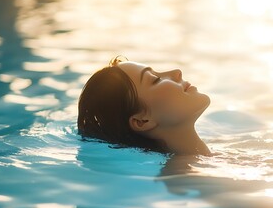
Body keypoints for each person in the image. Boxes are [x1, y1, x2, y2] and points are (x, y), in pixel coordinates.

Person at [77, 56, 211, 155]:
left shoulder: (205, 162)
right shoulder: (185, 177)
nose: (177, 72)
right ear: (142, 121)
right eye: (156, 79)